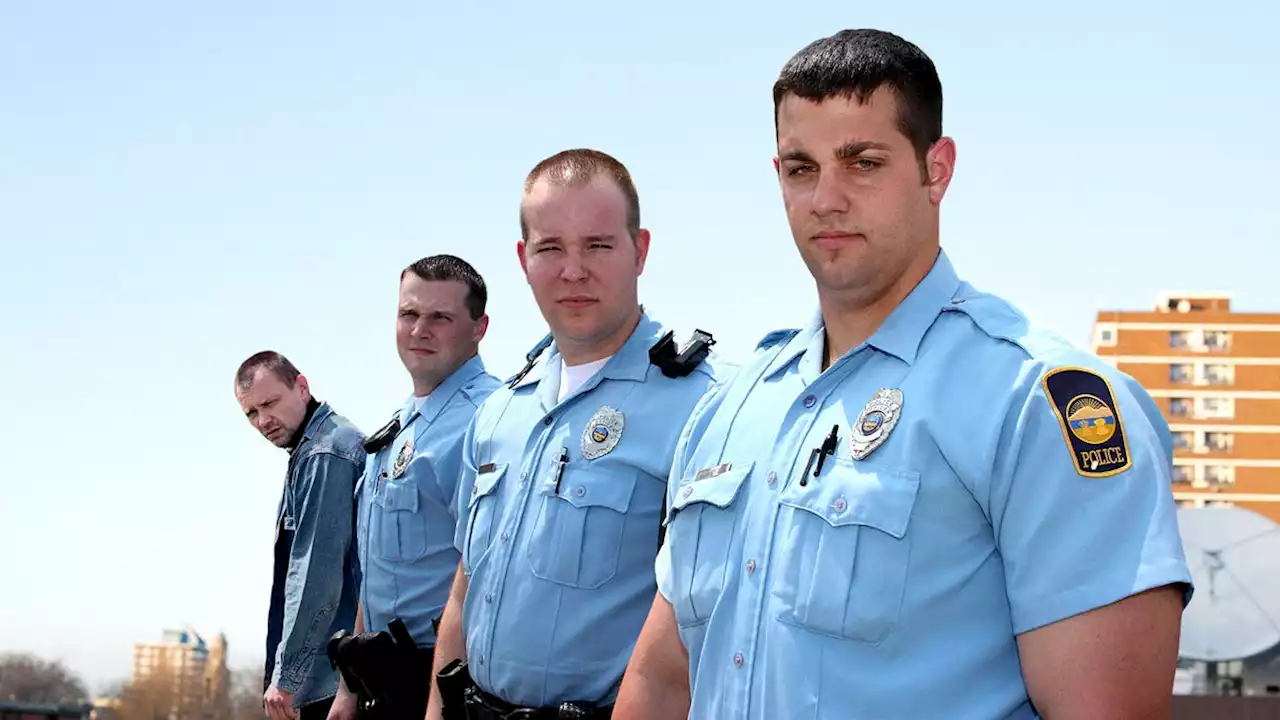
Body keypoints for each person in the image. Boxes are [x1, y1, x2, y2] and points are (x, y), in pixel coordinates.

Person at [614, 28, 1194, 720]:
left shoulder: (1034, 402)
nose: (826, 198)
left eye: (861, 162)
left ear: (936, 169)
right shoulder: (731, 409)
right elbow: (663, 681)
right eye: (802, 169)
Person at [425, 148, 735, 720]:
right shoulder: (498, 413)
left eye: (597, 245)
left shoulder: (708, 408)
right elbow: (464, 590)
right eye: (550, 248)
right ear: (523, 259)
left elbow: (707, 633)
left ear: (639, 250)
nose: (573, 270)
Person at [325, 255, 501, 720]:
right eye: (409, 314)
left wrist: (439, 705)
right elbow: (377, 567)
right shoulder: (402, 426)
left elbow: (486, 577)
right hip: (383, 682)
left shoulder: (489, 422)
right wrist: (348, 688)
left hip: (444, 685)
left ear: (479, 327)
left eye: (440, 317)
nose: (419, 329)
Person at [234, 351, 365, 720]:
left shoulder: (325, 453)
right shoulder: (313, 448)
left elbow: (314, 578)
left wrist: (286, 679)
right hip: (331, 676)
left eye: (270, 403)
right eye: (251, 413)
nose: (263, 421)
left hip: (329, 681)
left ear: (302, 387)